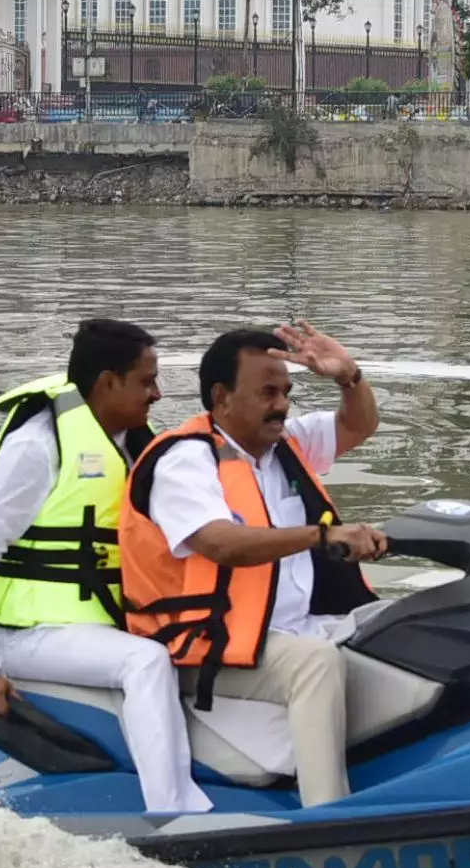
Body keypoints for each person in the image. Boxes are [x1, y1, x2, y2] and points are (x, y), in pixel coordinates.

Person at [0, 317, 211, 815]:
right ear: (107, 382)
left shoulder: (129, 442)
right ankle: (173, 813)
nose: (158, 393)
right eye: (147, 381)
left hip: (93, 624)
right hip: (27, 633)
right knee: (145, 662)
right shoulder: (40, 446)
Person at [120, 323, 389, 809]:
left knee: (402, 627)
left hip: (295, 627)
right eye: (267, 392)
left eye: (286, 391)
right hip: (206, 645)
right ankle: (330, 818)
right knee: (314, 664)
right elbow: (221, 543)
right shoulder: (186, 461)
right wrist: (325, 536)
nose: (282, 404)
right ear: (221, 398)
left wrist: (349, 377)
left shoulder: (286, 445)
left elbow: (359, 425)